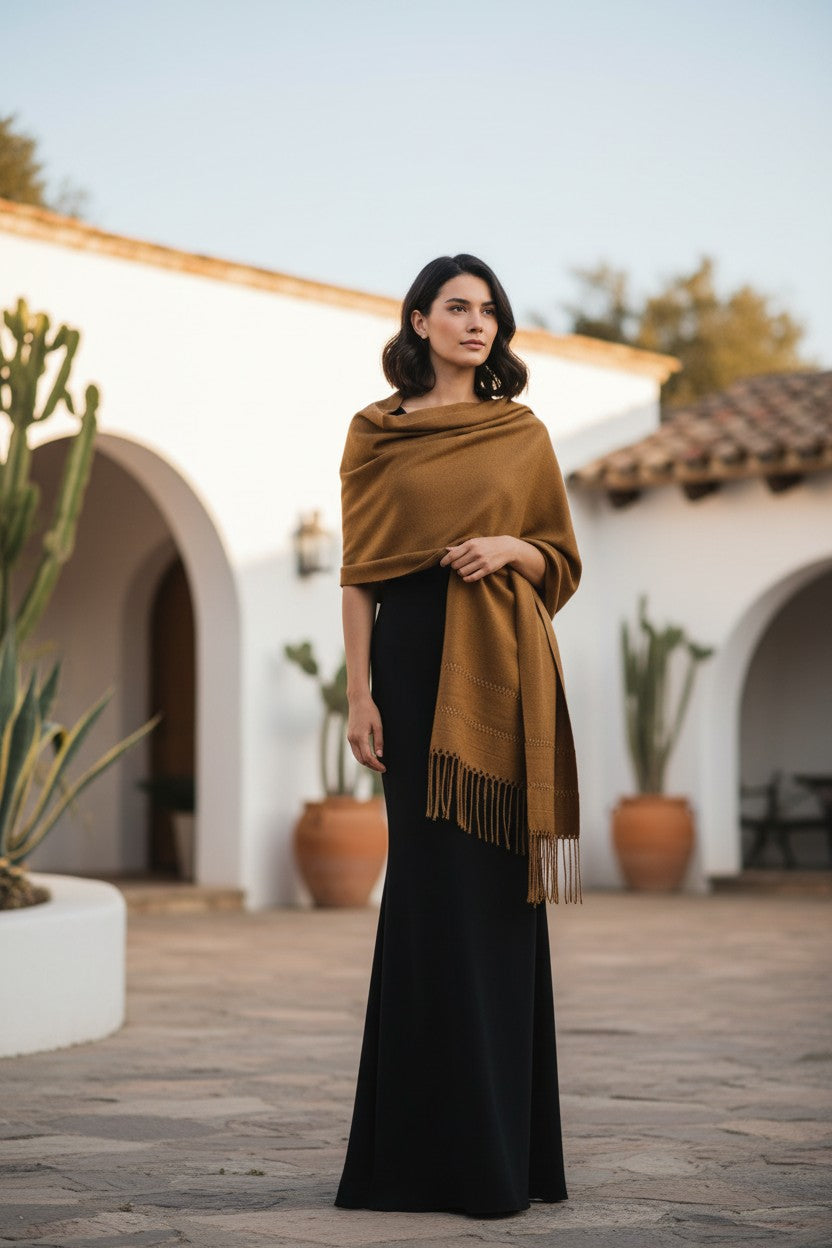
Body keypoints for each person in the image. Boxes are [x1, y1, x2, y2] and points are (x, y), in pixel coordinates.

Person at [334, 253, 582, 1218]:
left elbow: (560, 558)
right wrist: (360, 694)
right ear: (420, 320)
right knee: (425, 900)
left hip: (500, 678)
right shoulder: (374, 433)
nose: (478, 324)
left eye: (491, 312)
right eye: (459, 308)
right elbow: (358, 571)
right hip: (409, 664)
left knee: (495, 902)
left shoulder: (521, 432)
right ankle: (409, 1162)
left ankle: (503, 1159)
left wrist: (511, 547)